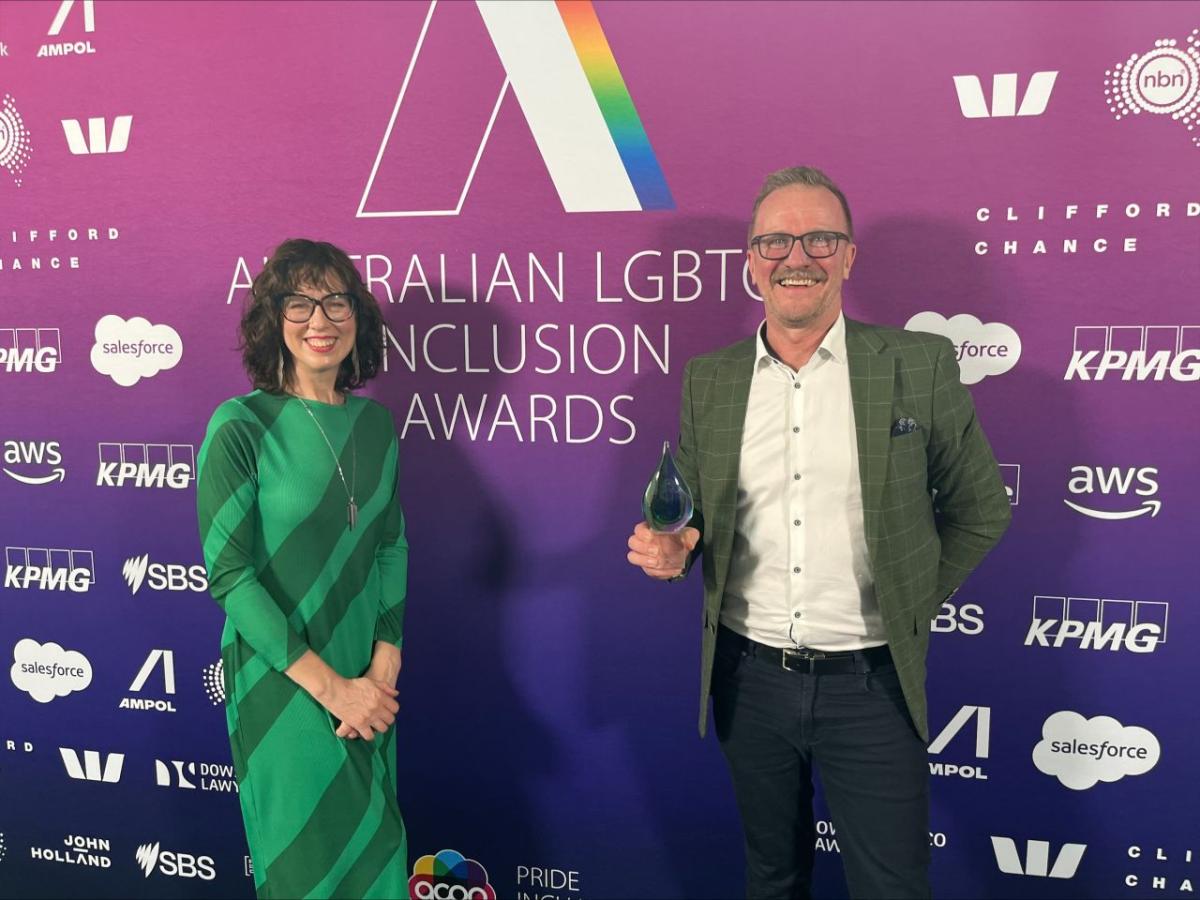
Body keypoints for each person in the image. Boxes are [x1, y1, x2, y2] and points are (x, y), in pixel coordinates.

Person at [626, 167, 1011, 899]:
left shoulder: (916, 365)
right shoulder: (710, 378)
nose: (795, 256)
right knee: (772, 879)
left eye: (819, 237)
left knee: (892, 886)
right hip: (749, 679)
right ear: (750, 261)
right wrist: (678, 551)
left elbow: (982, 508)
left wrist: (910, 599)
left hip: (874, 685)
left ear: (849, 255)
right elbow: (703, 517)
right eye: (775, 240)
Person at [196, 239, 409, 899]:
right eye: (300, 302)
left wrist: (383, 663)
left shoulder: (375, 425)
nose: (321, 320)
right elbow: (229, 576)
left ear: (358, 315)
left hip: (365, 683)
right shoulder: (240, 427)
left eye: (336, 300)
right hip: (282, 683)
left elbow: (390, 546)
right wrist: (332, 689)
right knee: (305, 872)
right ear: (274, 318)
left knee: (377, 862)